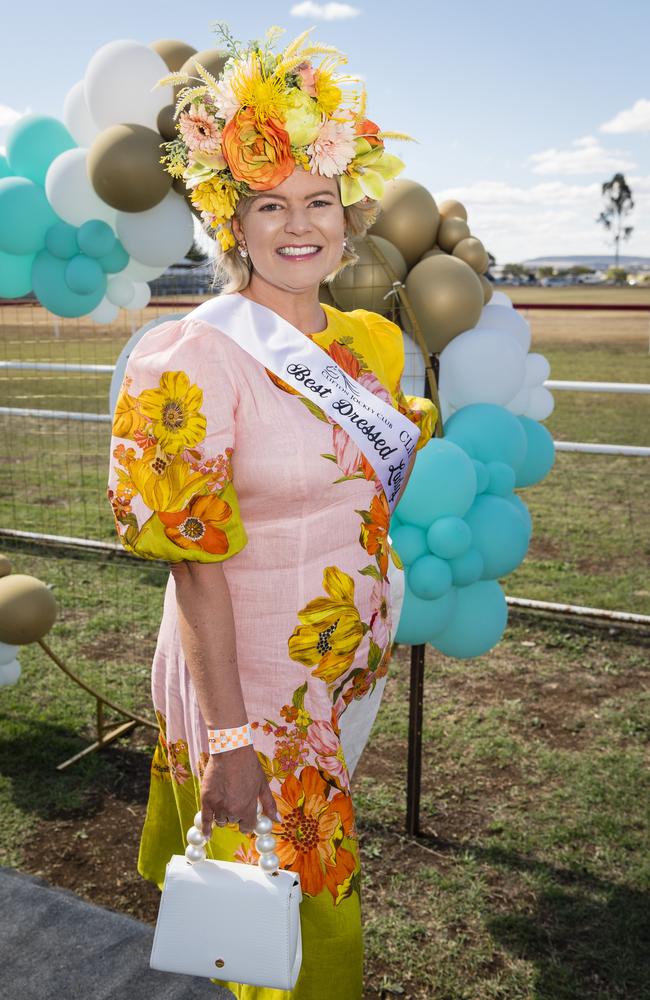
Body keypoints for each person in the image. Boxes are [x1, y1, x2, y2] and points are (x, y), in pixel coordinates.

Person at [106, 24, 436, 1000]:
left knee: (275, 917)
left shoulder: (372, 344)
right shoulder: (190, 358)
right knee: (297, 933)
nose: (299, 225)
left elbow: (370, 491)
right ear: (231, 222)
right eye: (268, 204)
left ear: (345, 211)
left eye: (318, 201)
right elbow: (192, 561)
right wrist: (228, 739)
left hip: (341, 669)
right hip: (252, 694)